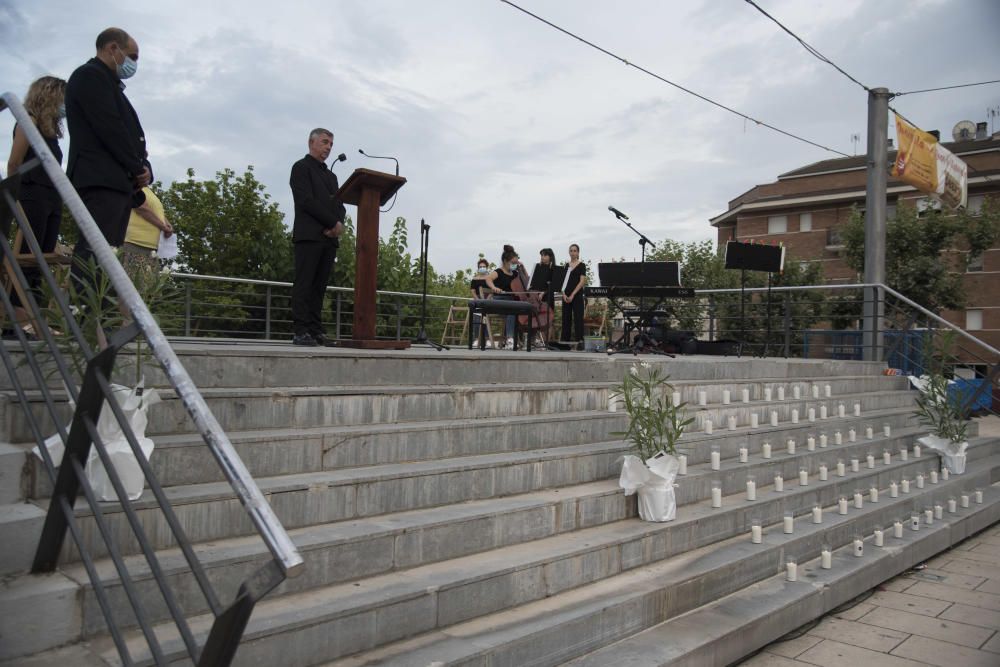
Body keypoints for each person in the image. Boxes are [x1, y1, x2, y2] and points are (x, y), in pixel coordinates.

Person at [65, 27, 150, 292]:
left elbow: (128, 133)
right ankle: (84, 320)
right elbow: (110, 127)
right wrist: (137, 167)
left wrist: (145, 167)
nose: (133, 64)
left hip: (116, 182)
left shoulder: (110, 86)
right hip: (101, 179)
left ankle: (99, 320)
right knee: (94, 253)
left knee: (108, 254)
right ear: (113, 48)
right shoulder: (90, 76)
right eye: (132, 56)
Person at [4, 76, 66, 337]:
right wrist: (12, 201)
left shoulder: (51, 132)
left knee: (42, 260)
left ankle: (35, 318)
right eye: (63, 99)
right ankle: (19, 319)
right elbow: (14, 164)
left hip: (52, 196)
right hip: (31, 194)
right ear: (50, 96)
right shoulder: (27, 122)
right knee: (28, 257)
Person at [289, 128, 345, 347]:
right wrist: (331, 223)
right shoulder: (300, 168)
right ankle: (300, 331)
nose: (329, 147)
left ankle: (315, 329)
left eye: (331, 144)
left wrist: (337, 225)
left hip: (329, 239)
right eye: (324, 142)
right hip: (309, 236)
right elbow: (305, 201)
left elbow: (339, 204)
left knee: (319, 287)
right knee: (304, 284)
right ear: (311, 143)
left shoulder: (331, 176)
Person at [121, 182, 172, 281]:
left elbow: (156, 211)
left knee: (150, 290)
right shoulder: (135, 189)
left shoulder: (150, 192)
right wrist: (163, 226)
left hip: (152, 249)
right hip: (136, 244)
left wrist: (167, 223)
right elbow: (142, 209)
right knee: (135, 285)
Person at [483, 245, 522, 349]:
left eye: (516, 263)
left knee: (515, 309)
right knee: (512, 309)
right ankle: (509, 339)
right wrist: (494, 287)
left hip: (511, 301)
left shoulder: (515, 274)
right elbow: (488, 279)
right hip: (498, 300)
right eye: (513, 263)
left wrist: (522, 268)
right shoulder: (498, 272)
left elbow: (525, 281)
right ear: (505, 261)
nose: (514, 265)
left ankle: (510, 339)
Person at [561, 243, 587, 345]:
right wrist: (563, 294)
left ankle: (579, 341)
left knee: (578, 318)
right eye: (571, 250)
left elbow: (582, 282)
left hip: (577, 295)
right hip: (565, 295)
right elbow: (562, 282)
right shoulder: (566, 266)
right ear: (569, 252)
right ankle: (564, 342)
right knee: (566, 318)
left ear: (578, 252)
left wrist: (572, 294)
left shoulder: (582, 265)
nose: (572, 252)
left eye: (575, 251)